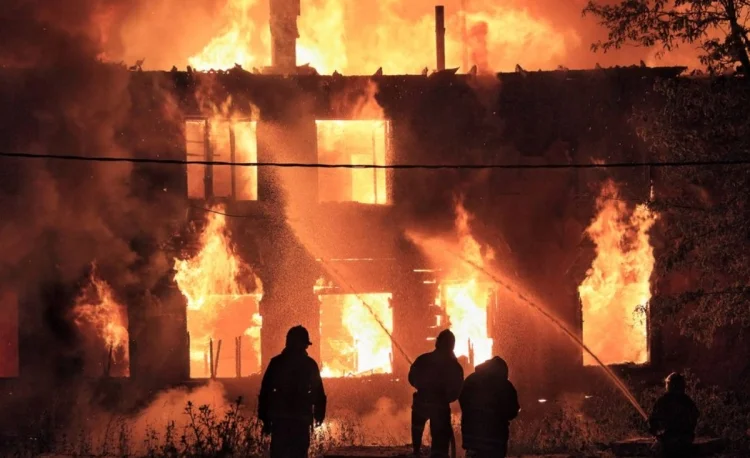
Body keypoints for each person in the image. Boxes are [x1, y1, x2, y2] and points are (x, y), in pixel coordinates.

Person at [258, 326, 327, 458]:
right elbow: (318, 392)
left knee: (279, 453)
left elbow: (265, 392)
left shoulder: (276, 363)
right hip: (301, 419)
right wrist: (319, 414)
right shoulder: (309, 364)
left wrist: (265, 419)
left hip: (280, 420)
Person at [409, 329, 464, 457]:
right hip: (440, 407)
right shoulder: (454, 366)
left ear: (437, 343)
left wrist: (422, 387)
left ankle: (416, 451)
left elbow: (411, 378)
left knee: (417, 431)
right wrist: (445, 398)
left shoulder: (423, 359)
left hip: (421, 403)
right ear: (452, 345)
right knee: (440, 446)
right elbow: (456, 390)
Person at [458, 356, 520, 458]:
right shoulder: (504, 384)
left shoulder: (470, 380)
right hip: (496, 438)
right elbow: (512, 411)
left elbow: (463, 401)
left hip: (472, 436)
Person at [648, 372, 699, 458]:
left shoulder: (663, 401)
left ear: (669, 385)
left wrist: (653, 428)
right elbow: (695, 416)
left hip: (669, 439)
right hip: (686, 439)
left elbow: (654, 420)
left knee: (654, 451)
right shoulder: (687, 400)